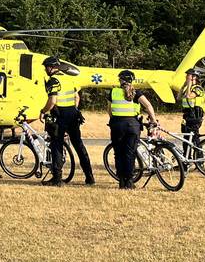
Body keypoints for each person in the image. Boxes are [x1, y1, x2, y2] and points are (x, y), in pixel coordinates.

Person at [39, 56, 95, 186]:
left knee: (57, 145)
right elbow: (76, 97)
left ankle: (57, 179)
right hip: (73, 114)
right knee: (79, 145)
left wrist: (43, 111)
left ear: (51, 67)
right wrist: (74, 110)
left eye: (46, 67)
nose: (45, 70)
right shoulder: (69, 78)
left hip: (61, 116)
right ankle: (89, 177)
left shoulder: (53, 81)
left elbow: (52, 101)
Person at [107, 70, 158, 190]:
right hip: (132, 125)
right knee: (130, 153)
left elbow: (109, 110)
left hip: (117, 124)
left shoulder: (113, 92)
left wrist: (115, 120)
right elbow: (148, 106)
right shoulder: (136, 93)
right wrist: (153, 120)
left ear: (121, 80)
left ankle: (121, 181)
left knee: (119, 153)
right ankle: (129, 181)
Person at [179, 69, 205, 163]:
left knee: (195, 139)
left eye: (188, 76)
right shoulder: (188, 88)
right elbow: (179, 97)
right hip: (187, 116)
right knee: (186, 139)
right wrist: (184, 86)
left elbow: (189, 96)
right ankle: (186, 162)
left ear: (194, 77)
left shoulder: (198, 88)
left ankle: (200, 162)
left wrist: (189, 83)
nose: (186, 77)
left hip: (195, 116)